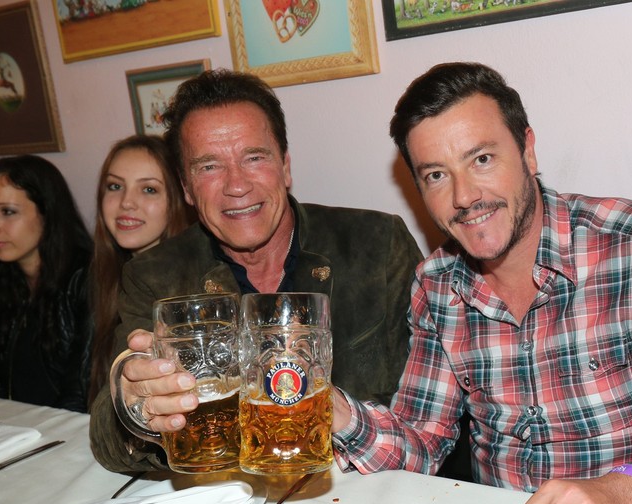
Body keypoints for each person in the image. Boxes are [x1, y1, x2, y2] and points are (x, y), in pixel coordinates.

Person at [329, 62, 632, 504]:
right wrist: (336, 413)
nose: (465, 196)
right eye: (438, 175)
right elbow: (420, 444)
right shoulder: (436, 284)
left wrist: (627, 490)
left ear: (527, 150)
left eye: (481, 159)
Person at [89, 69, 424, 472]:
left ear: (285, 166)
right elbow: (106, 440)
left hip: (367, 492)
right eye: (209, 167)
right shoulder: (155, 276)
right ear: (186, 189)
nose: (236, 185)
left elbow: (428, 417)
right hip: (230, 501)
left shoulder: (377, 244)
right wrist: (137, 406)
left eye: (254, 157)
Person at [88, 135, 196, 408]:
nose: (126, 202)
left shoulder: (195, 286)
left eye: (149, 189)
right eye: (115, 186)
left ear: (180, 198)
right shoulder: (99, 276)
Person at [0, 155, 93, 412]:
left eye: (7, 212)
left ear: (48, 212)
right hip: (14, 431)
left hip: (64, 436)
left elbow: (80, 390)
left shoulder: (86, 278)